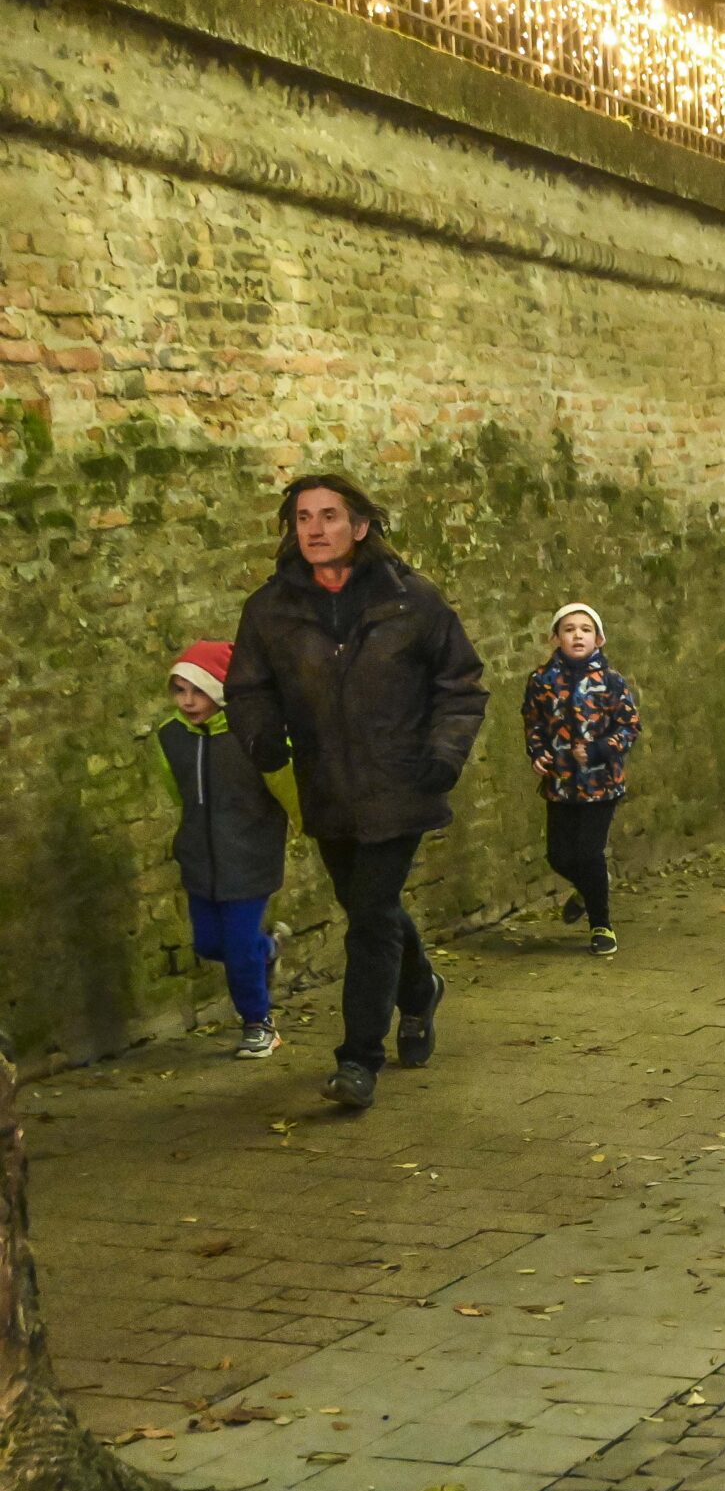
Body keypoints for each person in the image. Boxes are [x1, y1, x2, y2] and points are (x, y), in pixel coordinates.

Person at [228, 474, 487, 1112]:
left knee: (369, 916)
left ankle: (358, 1060)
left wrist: (444, 753)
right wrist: (262, 737)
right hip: (326, 786)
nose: (314, 529)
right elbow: (249, 686)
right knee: (369, 905)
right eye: (303, 518)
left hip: (401, 782)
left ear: (360, 526)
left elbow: (460, 683)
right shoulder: (270, 609)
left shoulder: (412, 600)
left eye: (329, 516)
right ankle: (420, 990)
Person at [159, 641, 296, 1059]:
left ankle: (259, 1023)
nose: (187, 701)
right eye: (179, 690)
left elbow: (289, 789)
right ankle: (267, 950)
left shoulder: (255, 735)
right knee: (208, 945)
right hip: (200, 860)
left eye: (197, 691)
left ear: (221, 689)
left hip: (250, 856)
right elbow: (179, 792)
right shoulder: (170, 737)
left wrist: (307, 824)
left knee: (237, 949)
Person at [521, 603, 641, 956]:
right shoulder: (541, 681)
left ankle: (601, 925)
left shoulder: (611, 682)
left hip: (601, 784)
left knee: (589, 853)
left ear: (598, 639)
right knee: (559, 856)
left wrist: (600, 749)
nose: (577, 635)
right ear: (555, 638)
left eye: (585, 630)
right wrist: (538, 752)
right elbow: (533, 723)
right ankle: (592, 887)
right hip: (560, 785)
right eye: (569, 629)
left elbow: (630, 727)